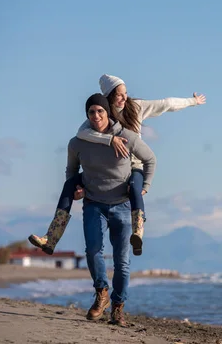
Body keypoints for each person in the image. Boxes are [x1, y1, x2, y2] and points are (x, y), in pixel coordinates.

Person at [28, 73, 206, 256]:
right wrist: (110, 140)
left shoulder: (136, 108)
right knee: (68, 184)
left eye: (125, 93)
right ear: (109, 96)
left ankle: (138, 234)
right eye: (119, 94)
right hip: (105, 169)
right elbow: (81, 133)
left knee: (135, 188)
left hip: (132, 167)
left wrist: (192, 102)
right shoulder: (100, 113)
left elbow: (166, 104)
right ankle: (51, 239)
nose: (124, 98)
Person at [68, 93, 157, 326]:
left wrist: (144, 188)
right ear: (86, 115)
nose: (96, 116)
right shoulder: (77, 143)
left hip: (122, 205)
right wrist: (76, 189)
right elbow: (71, 172)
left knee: (122, 262)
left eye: (100, 111)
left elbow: (150, 160)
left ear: (108, 112)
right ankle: (102, 294)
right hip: (94, 204)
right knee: (93, 251)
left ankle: (118, 308)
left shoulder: (127, 137)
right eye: (91, 112)